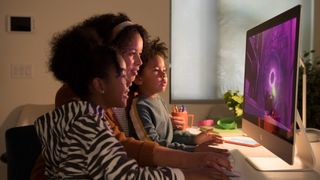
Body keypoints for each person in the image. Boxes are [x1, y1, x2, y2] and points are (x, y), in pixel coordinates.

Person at [35, 23, 228, 179]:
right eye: (131, 54)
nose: (139, 63)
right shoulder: (87, 120)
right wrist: (189, 172)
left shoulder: (88, 113)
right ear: (99, 82)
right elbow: (127, 172)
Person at [129, 38, 219, 151]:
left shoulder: (158, 100)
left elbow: (170, 136)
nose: (163, 75)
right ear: (138, 78)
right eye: (156, 70)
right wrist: (192, 150)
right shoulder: (140, 106)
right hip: (157, 162)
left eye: (164, 70)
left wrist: (195, 139)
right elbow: (153, 145)